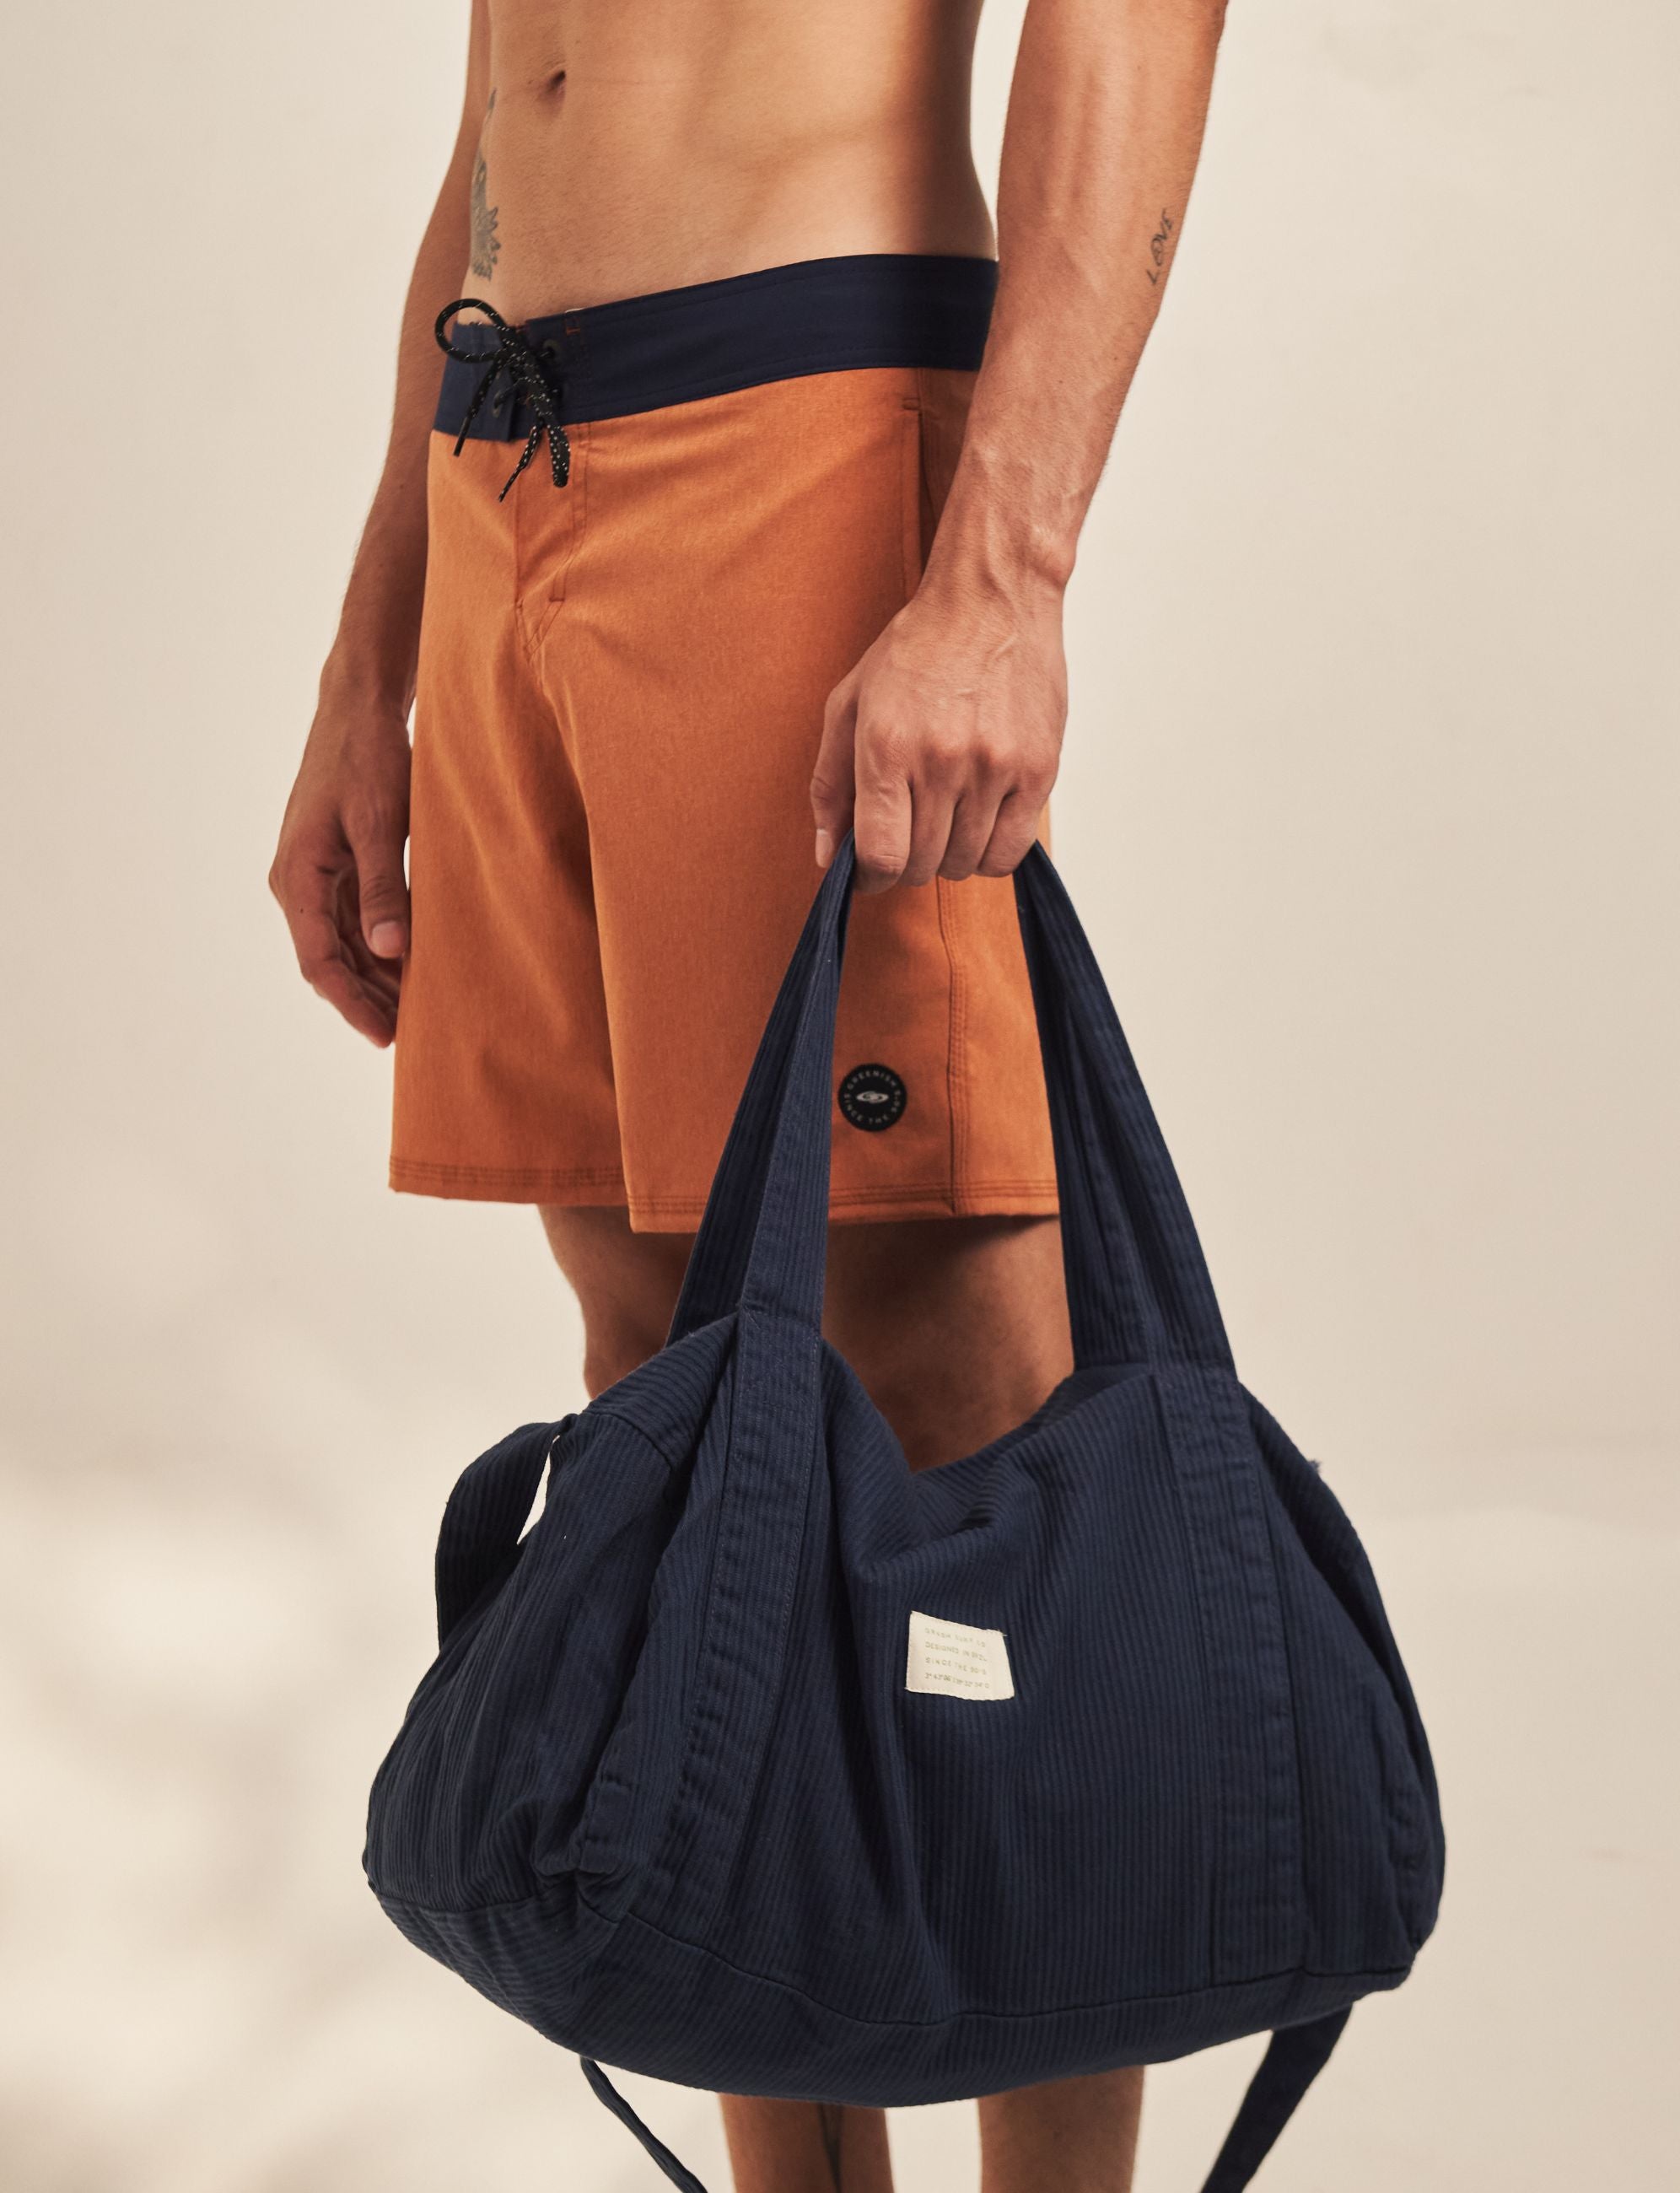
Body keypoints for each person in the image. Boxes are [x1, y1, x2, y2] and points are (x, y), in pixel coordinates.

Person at [271, 0, 1230, 2184]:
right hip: (507, 472)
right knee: (674, 1429)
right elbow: (505, 96)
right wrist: (369, 658)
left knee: (965, 1452)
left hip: (793, 420)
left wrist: (1003, 579)